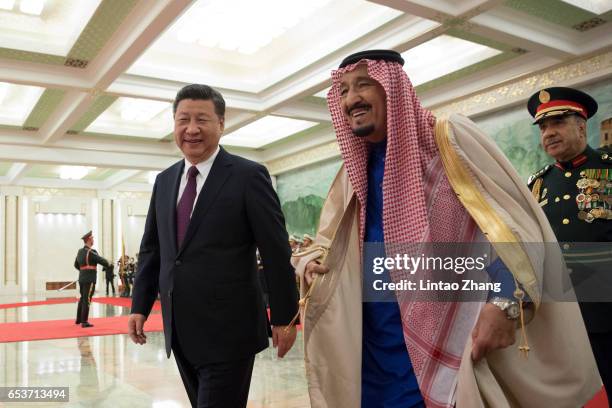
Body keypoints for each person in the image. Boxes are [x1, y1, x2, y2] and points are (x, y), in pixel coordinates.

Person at [293, 50, 600, 407]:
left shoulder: (449, 139)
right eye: (343, 90)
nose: (351, 99)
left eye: (363, 84)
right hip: (373, 354)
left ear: (392, 88)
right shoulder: (351, 172)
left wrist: (504, 303)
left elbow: (513, 228)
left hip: (450, 342)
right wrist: (311, 259)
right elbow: (328, 240)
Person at [128, 84, 298, 408]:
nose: (191, 129)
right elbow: (152, 249)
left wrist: (284, 316)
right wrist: (139, 304)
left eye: (202, 120)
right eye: (183, 120)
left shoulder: (248, 176)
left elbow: (276, 251)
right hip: (180, 329)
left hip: (229, 331)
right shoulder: (165, 180)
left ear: (221, 124)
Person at [527, 86, 612, 401]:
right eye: (543, 127)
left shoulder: (608, 167)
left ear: (582, 125)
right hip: (561, 311)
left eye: (558, 122)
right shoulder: (537, 185)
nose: (549, 132)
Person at [74, 231, 110, 328]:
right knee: (87, 299)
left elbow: (76, 265)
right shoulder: (91, 252)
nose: (93, 240)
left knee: (82, 298)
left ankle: (78, 319)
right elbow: (103, 262)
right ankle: (84, 321)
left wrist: (83, 272)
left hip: (82, 278)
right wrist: (109, 263)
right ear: (89, 239)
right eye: (92, 238)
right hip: (89, 279)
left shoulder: (80, 252)